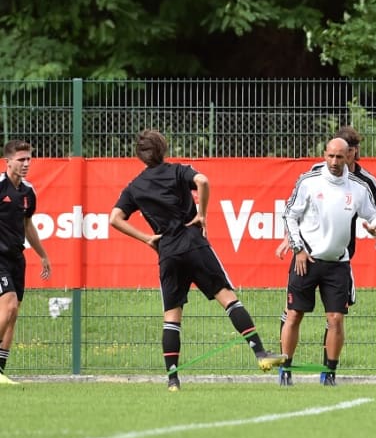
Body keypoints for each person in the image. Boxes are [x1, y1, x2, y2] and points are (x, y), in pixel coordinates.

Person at [109, 129, 287, 391]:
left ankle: (172, 380)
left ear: (140, 157)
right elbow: (202, 181)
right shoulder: (178, 171)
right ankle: (261, 354)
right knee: (227, 298)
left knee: (171, 317)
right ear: (164, 149)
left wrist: (147, 238)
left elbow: (114, 218)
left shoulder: (134, 187)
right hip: (194, 244)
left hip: (167, 252)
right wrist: (202, 214)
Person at [276, 126, 376, 384]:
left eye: (339, 157)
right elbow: (290, 214)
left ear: (349, 157)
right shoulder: (309, 180)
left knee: (336, 319)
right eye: (330, 156)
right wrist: (296, 247)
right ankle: (285, 369)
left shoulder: (360, 186)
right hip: (306, 260)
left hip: (338, 264)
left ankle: (329, 373)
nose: (334, 161)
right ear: (324, 154)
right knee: (294, 314)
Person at [0, 140, 51, 385]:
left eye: (29, 159)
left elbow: (27, 225)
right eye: (21, 159)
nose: (26, 163)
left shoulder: (28, 192)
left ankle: (0, 371)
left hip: (16, 258)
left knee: (13, 314)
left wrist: (42, 254)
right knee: (8, 306)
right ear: (7, 161)